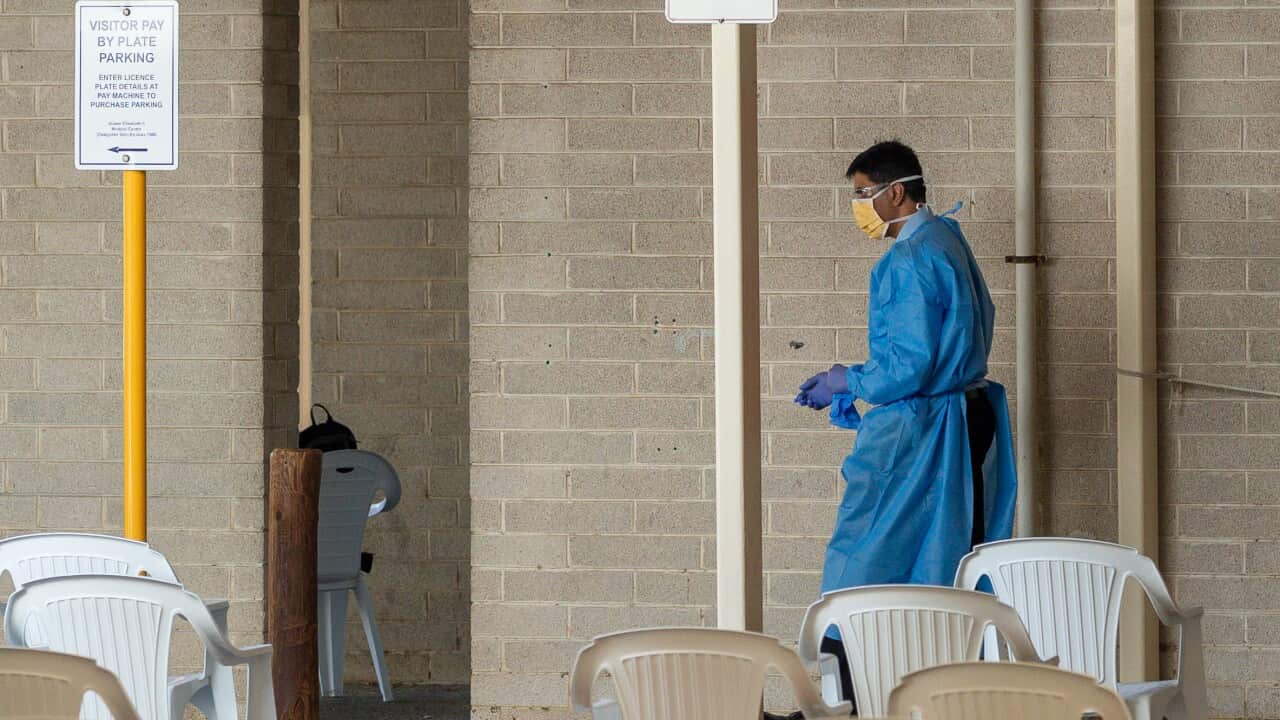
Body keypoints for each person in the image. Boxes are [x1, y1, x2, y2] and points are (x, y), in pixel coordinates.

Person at [775, 141, 1017, 716]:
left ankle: (846, 700)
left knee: (864, 559)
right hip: (962, 417)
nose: (859, 207)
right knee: (948, 556)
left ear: (896, 191)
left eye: (863, 194)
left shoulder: (907, 262)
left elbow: (905, 367)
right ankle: (928, 694)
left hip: (922, 426)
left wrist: (849, 381)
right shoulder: (948, 240)